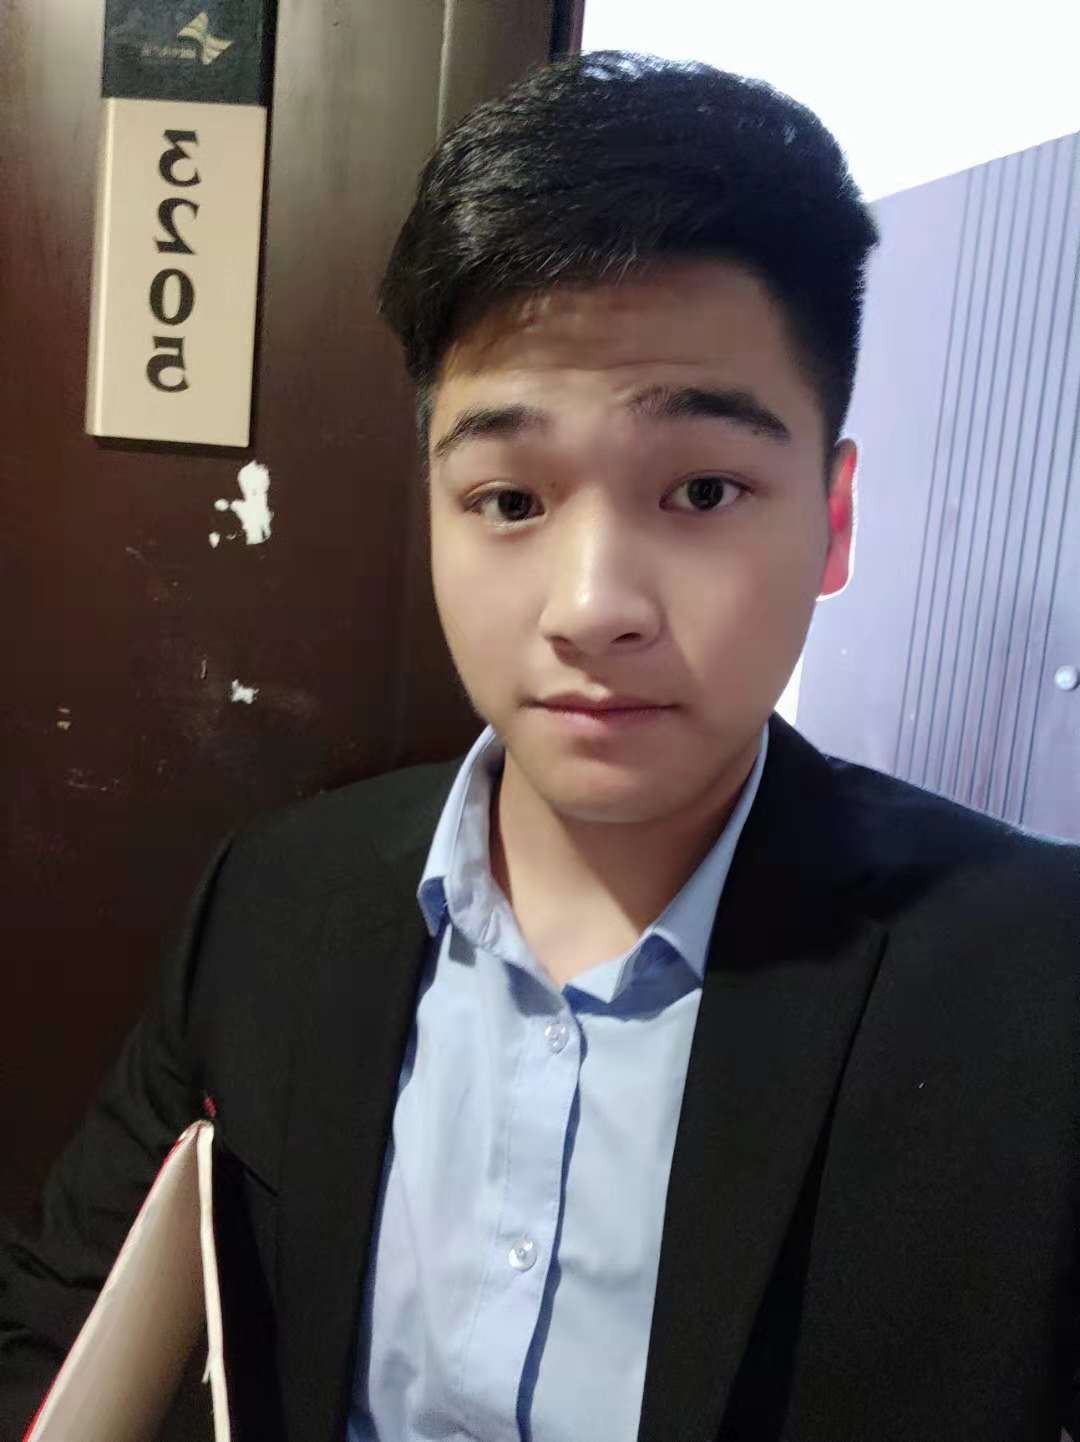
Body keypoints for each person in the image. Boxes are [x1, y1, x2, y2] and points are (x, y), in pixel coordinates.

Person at [2, 49, 1078, 1442]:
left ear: (834, 517)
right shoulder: (272, 901)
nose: (590, 607)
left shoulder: (1032, 985)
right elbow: (61, 1322)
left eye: (702, 488)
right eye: (510, 499)